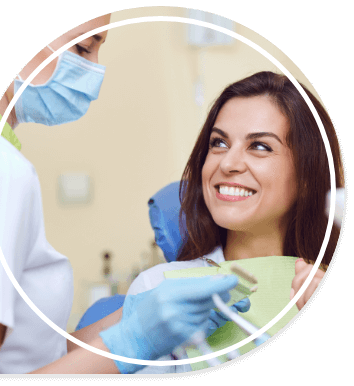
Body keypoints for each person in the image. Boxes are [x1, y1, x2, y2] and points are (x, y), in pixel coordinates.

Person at [0, 15, 251, 374]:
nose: (94, 72)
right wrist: (133, 340)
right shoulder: (0, 171)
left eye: (260, 146)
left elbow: (30, 354)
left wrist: (128, 319)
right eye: (83, 48)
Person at [125, 71, 344, 373]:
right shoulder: (158, 289)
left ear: (308, 176)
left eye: (260, 147)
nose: (227, 164)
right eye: (219, 143)